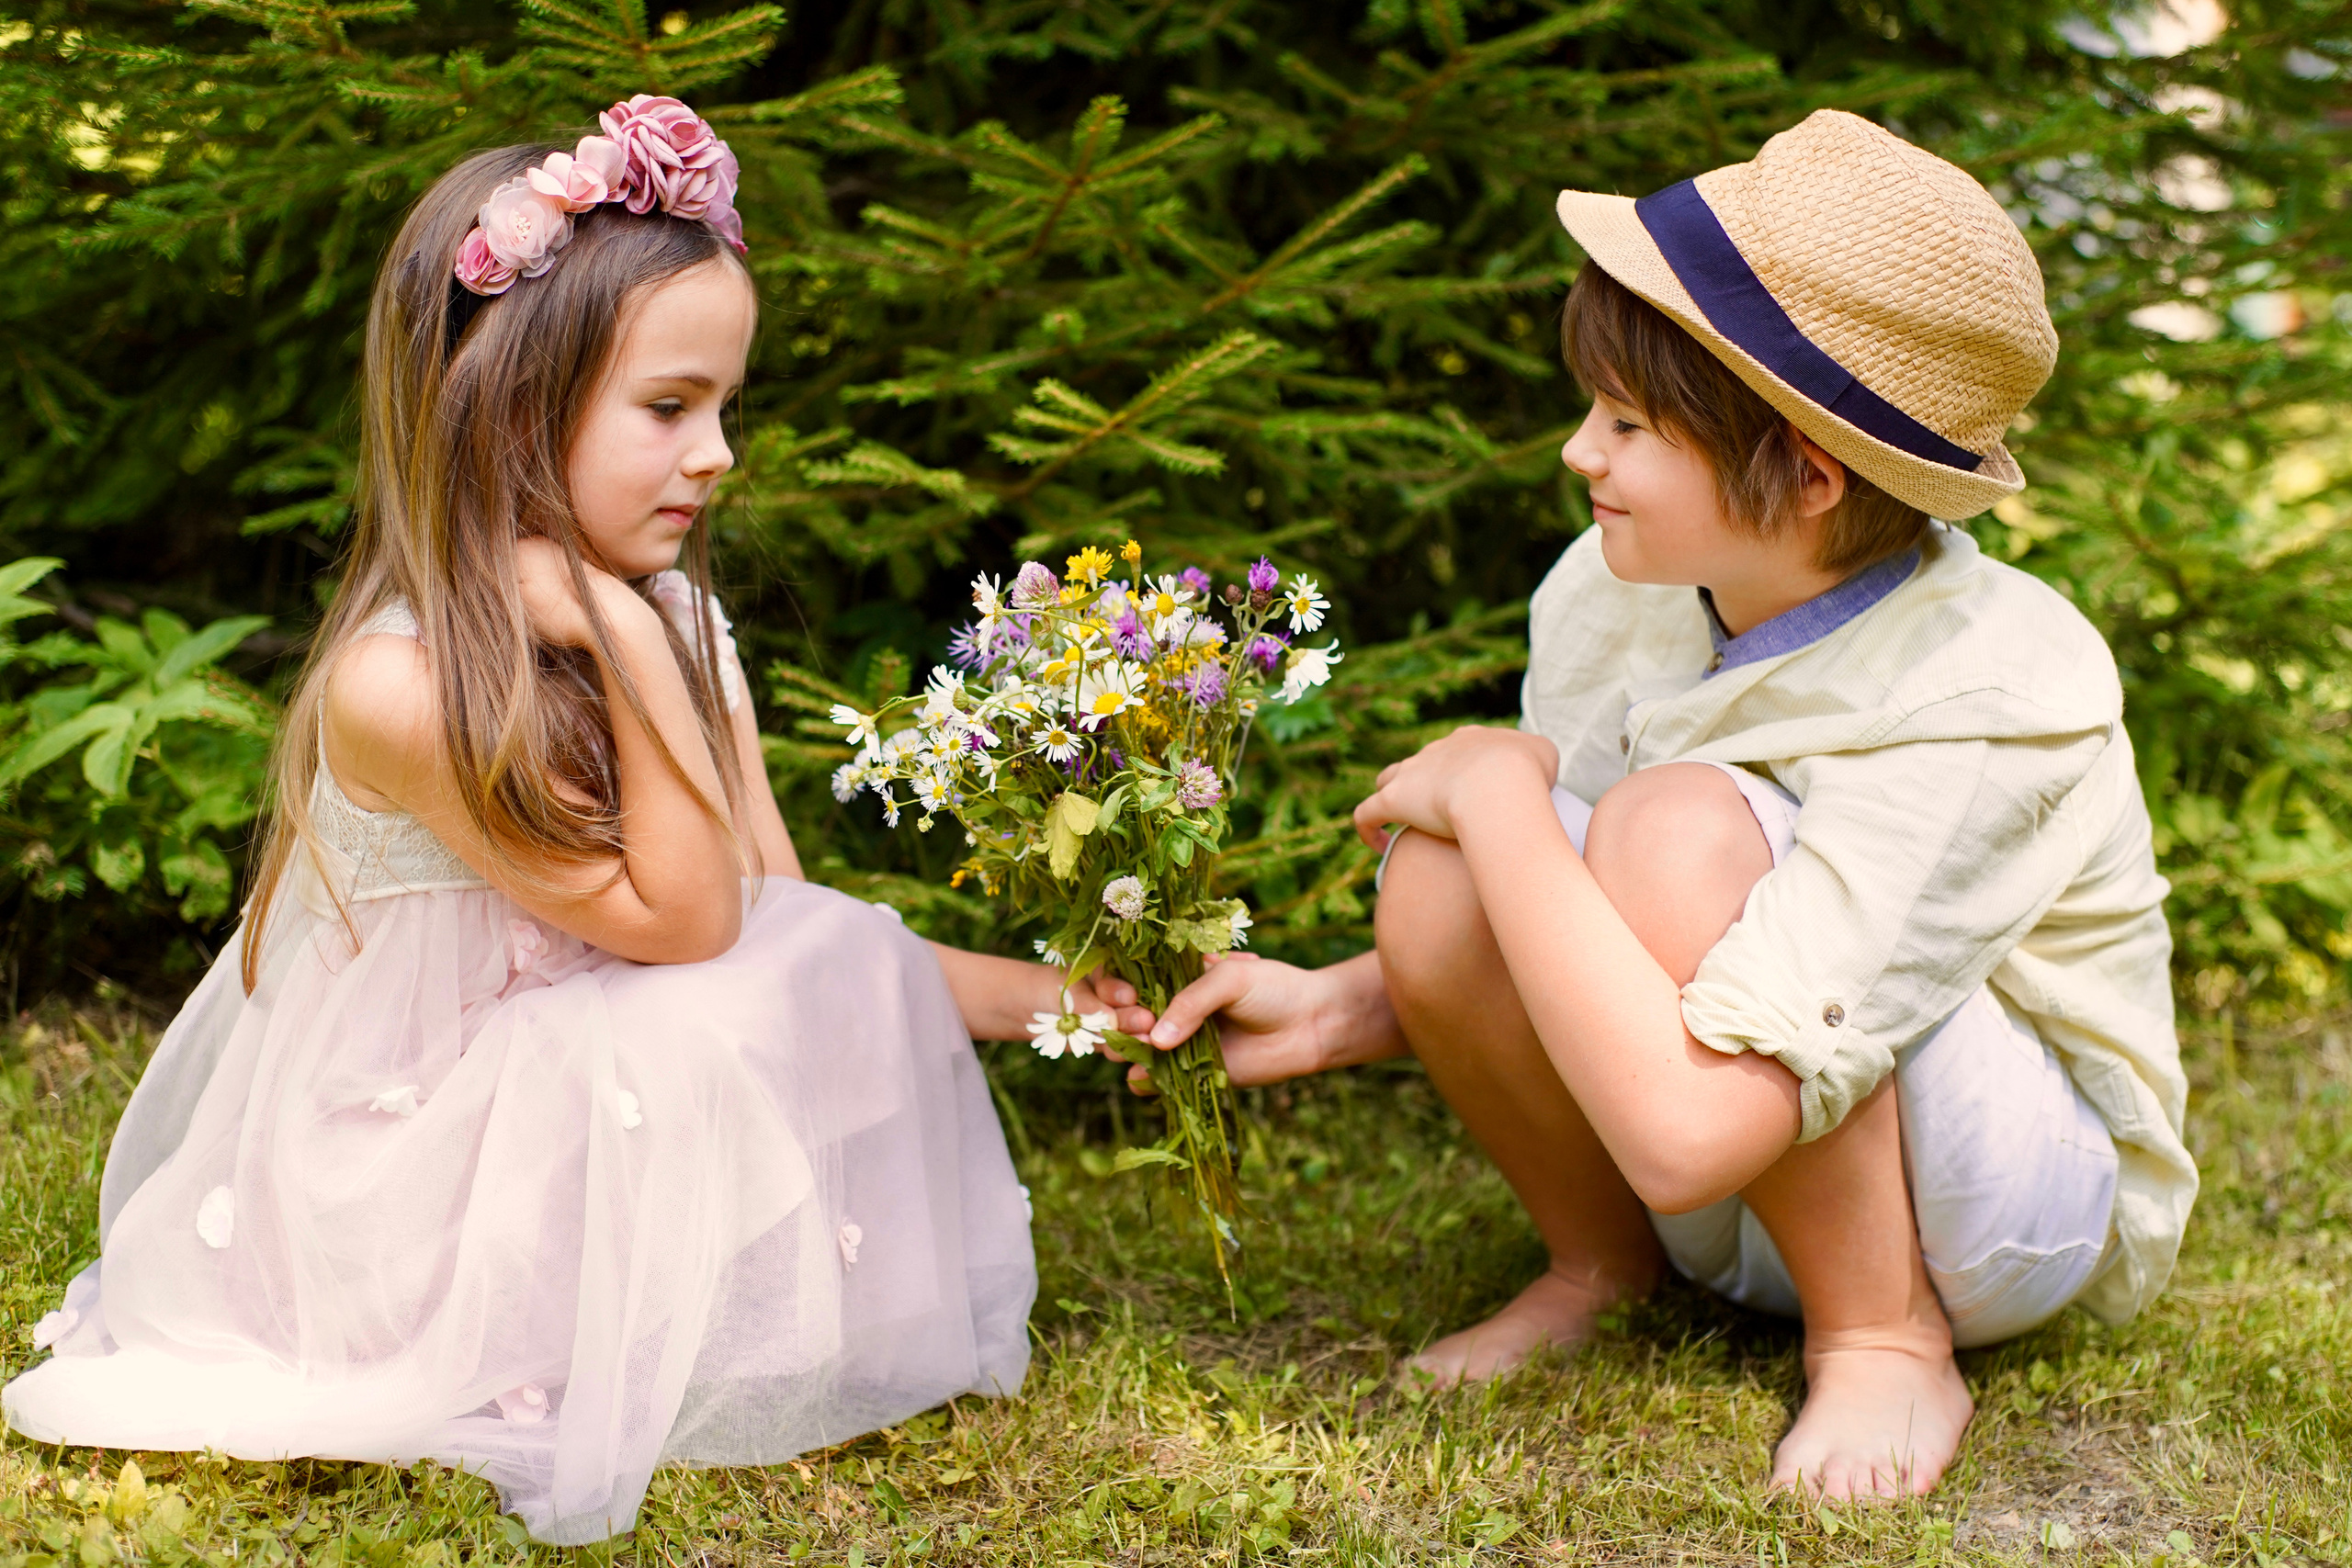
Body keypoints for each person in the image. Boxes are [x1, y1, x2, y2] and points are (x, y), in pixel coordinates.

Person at [3, 101, 1154, 1544]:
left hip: (587, 1098)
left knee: (724, 1008)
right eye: (671, 408)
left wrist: (1064, 1007)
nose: (717, 452)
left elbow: (798, 942)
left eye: (724, 406)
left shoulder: (679, 612)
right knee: (666, 1018)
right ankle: (544, 1328)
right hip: (413, 1163)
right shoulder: (399, 687)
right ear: (510, 407)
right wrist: (614, 636)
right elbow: (688, 926)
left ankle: (674, 1297)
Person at [1121, 110, 2195, 1500]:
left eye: (1629, 424)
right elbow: (1565, 931)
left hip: (1990, 1208)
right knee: (1452, 868)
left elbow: (1693, 1137)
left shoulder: (1989, 684)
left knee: (1662, 825)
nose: (1582, 453)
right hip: (1726, 1155)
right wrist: (1339, 1005)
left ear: (1809, 479)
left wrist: (1503, 795)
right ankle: (1598, 1265)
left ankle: (1880, 1337)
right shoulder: (1610, 589)